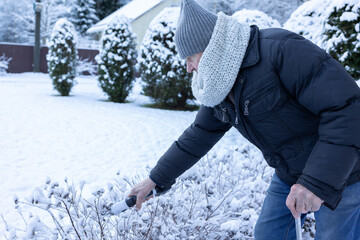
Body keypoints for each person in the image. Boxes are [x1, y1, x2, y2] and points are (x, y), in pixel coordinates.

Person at [128, 0, 360, 239]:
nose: (188, 68)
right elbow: (200, 133)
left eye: (190, 58)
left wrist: (316, 182)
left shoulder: (281, 50)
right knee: (269, 235)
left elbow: (347, 109)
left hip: (344, 170)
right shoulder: (220, 84)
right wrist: (155, 179)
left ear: (211, 49)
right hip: (290, 172)